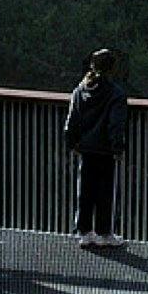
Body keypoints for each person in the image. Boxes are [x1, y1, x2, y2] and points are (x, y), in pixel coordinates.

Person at [64, 49, 129, 248]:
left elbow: (71, 120)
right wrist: (118, 148)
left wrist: (72, 142)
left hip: (86, 148)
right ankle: (104, 233)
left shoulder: (81, 90)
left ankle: (84, 231)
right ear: (112, 68)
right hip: (105, 150)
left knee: (84, 190)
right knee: (105, 191)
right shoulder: (115, 93)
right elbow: (115, 125)